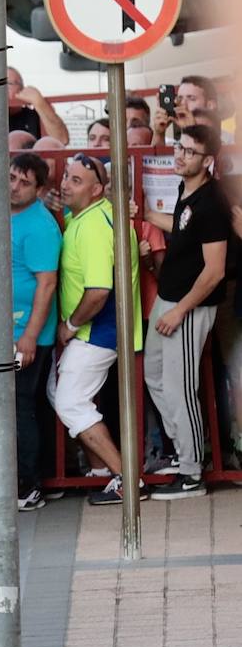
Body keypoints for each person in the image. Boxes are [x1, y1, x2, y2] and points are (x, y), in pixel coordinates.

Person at [49, 152, 142, 506]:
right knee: (61, 395)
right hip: (102, 330)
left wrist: (70, 325)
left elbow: (99, 291)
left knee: (69, 401)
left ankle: (125, 480)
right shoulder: (92, 216)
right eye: (66, 177)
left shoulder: (91, 226)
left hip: (95, 331)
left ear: (97, 189)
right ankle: (102, 471)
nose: (65, 184)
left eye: (75, 180)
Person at [142, 125, 229, 499]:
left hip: (188, 306)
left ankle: (193, 473)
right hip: (170, 298)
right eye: (180, 147)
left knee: (181, 387)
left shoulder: (212, 203)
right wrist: (146, 213)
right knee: (155, 377)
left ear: (208, 161)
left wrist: (180, 311)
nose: (180, 155)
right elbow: (180, 226)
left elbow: (215, 271)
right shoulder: (187, 190)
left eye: (190, 152)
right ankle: (184, 452)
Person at [8, 153, 62, 511]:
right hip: (13, 328)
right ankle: (42, 477)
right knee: (26, 404)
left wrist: (29, 337)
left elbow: (46, 285)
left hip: (28, 334)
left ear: (40, 189)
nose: (14, 186)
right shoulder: (10, 213)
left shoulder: (40, 225)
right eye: (12, 177)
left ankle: (28, 486)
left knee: (20, 405)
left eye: (24, 182)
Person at [8, 66, 69, 143]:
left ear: (21, 88)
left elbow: (62, 140)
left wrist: (39, 102)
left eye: (8, 83)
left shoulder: (34, 115)